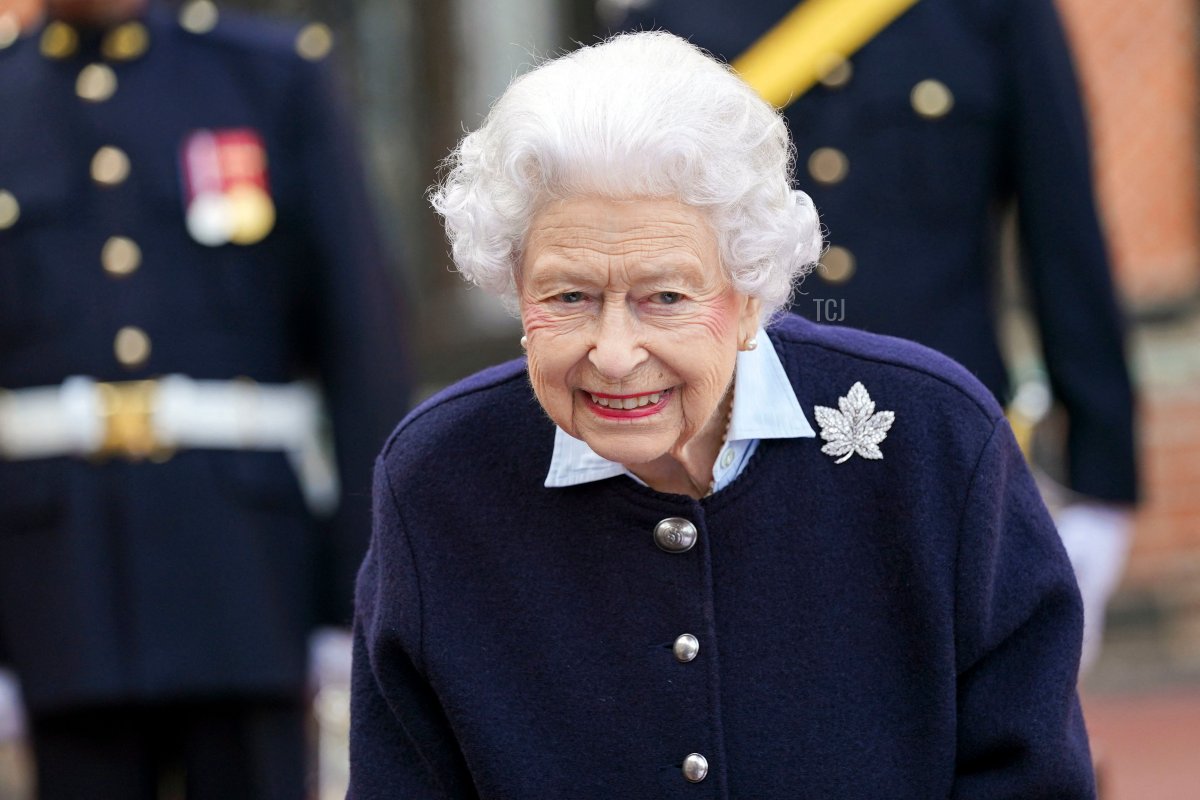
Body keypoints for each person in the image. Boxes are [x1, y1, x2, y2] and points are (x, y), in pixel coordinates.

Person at [349, 31, 1094, 798]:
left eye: (664, 297)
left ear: (748, 297)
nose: (612, 353)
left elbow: (1030, 777)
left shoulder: (932, 441)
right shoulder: (440, 479)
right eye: (568, 296)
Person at [614, 0, 1139, 672]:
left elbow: (1064, 234)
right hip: (733, 465)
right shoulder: (665, 25)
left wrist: (1103, 483)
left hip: (942, 464)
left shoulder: (992, 14)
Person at [0, 0, 408, 796]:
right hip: (54, 583)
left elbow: (361, 344)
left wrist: (362, 585)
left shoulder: (267, 77)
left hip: (248, 576)